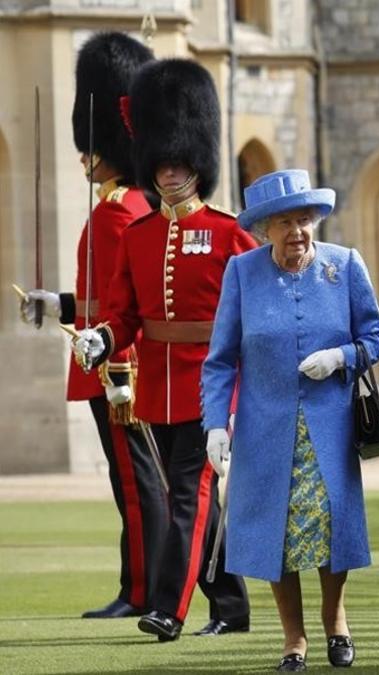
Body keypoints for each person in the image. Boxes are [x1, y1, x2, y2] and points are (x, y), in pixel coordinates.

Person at [71, 58, 253, 642]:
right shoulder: (142, 234)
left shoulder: (229, 233)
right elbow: (125, 312)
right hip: (157, 383)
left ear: (198, 164)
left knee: (189, 492)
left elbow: (257, 308)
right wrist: (102, 337)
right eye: (163, 162)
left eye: (180, 162)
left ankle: (168, 608)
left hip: (212, 382)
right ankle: (231, 604)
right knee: (198, 498)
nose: (171, 172)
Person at [202, 169, 379, 672]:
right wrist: (216, 424)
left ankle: (336, 622)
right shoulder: (242, 272)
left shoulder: (345, 265)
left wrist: (341, 357)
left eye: (304, 220)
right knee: (276, 533)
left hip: (330, 427)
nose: (297, 232)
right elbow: (220, 359)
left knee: (332, 528)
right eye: (284, 222)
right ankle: (293, 639)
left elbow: (377, 337)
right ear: (265, 229)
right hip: (265, 430)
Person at [17, 31, 167, 619]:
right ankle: (143, 585)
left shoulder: (115, 212)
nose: (85, 156)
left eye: (91, 146)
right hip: (111, 360)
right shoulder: (128, 207)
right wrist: (56, 303)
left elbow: (117, 309)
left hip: (116, 370)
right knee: (133, 480)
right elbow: (103, 299)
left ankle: (143, 591)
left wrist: (98, 339)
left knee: (135, 484)